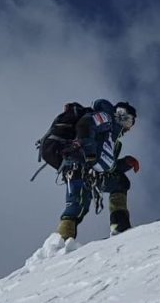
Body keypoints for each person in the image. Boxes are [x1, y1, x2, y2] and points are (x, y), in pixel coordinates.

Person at [57, 99, 140, 241]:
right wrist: (89, 153)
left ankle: (119, 225)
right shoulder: (106, 118)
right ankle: (60, 244)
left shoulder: (111, 139)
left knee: (119, 182)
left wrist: (126, 163)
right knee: (76, 207)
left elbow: (109, 166)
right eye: (128, 121)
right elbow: (86, 124)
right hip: (80, 167)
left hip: (91, 173)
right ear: (121, 115)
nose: (128, 128)